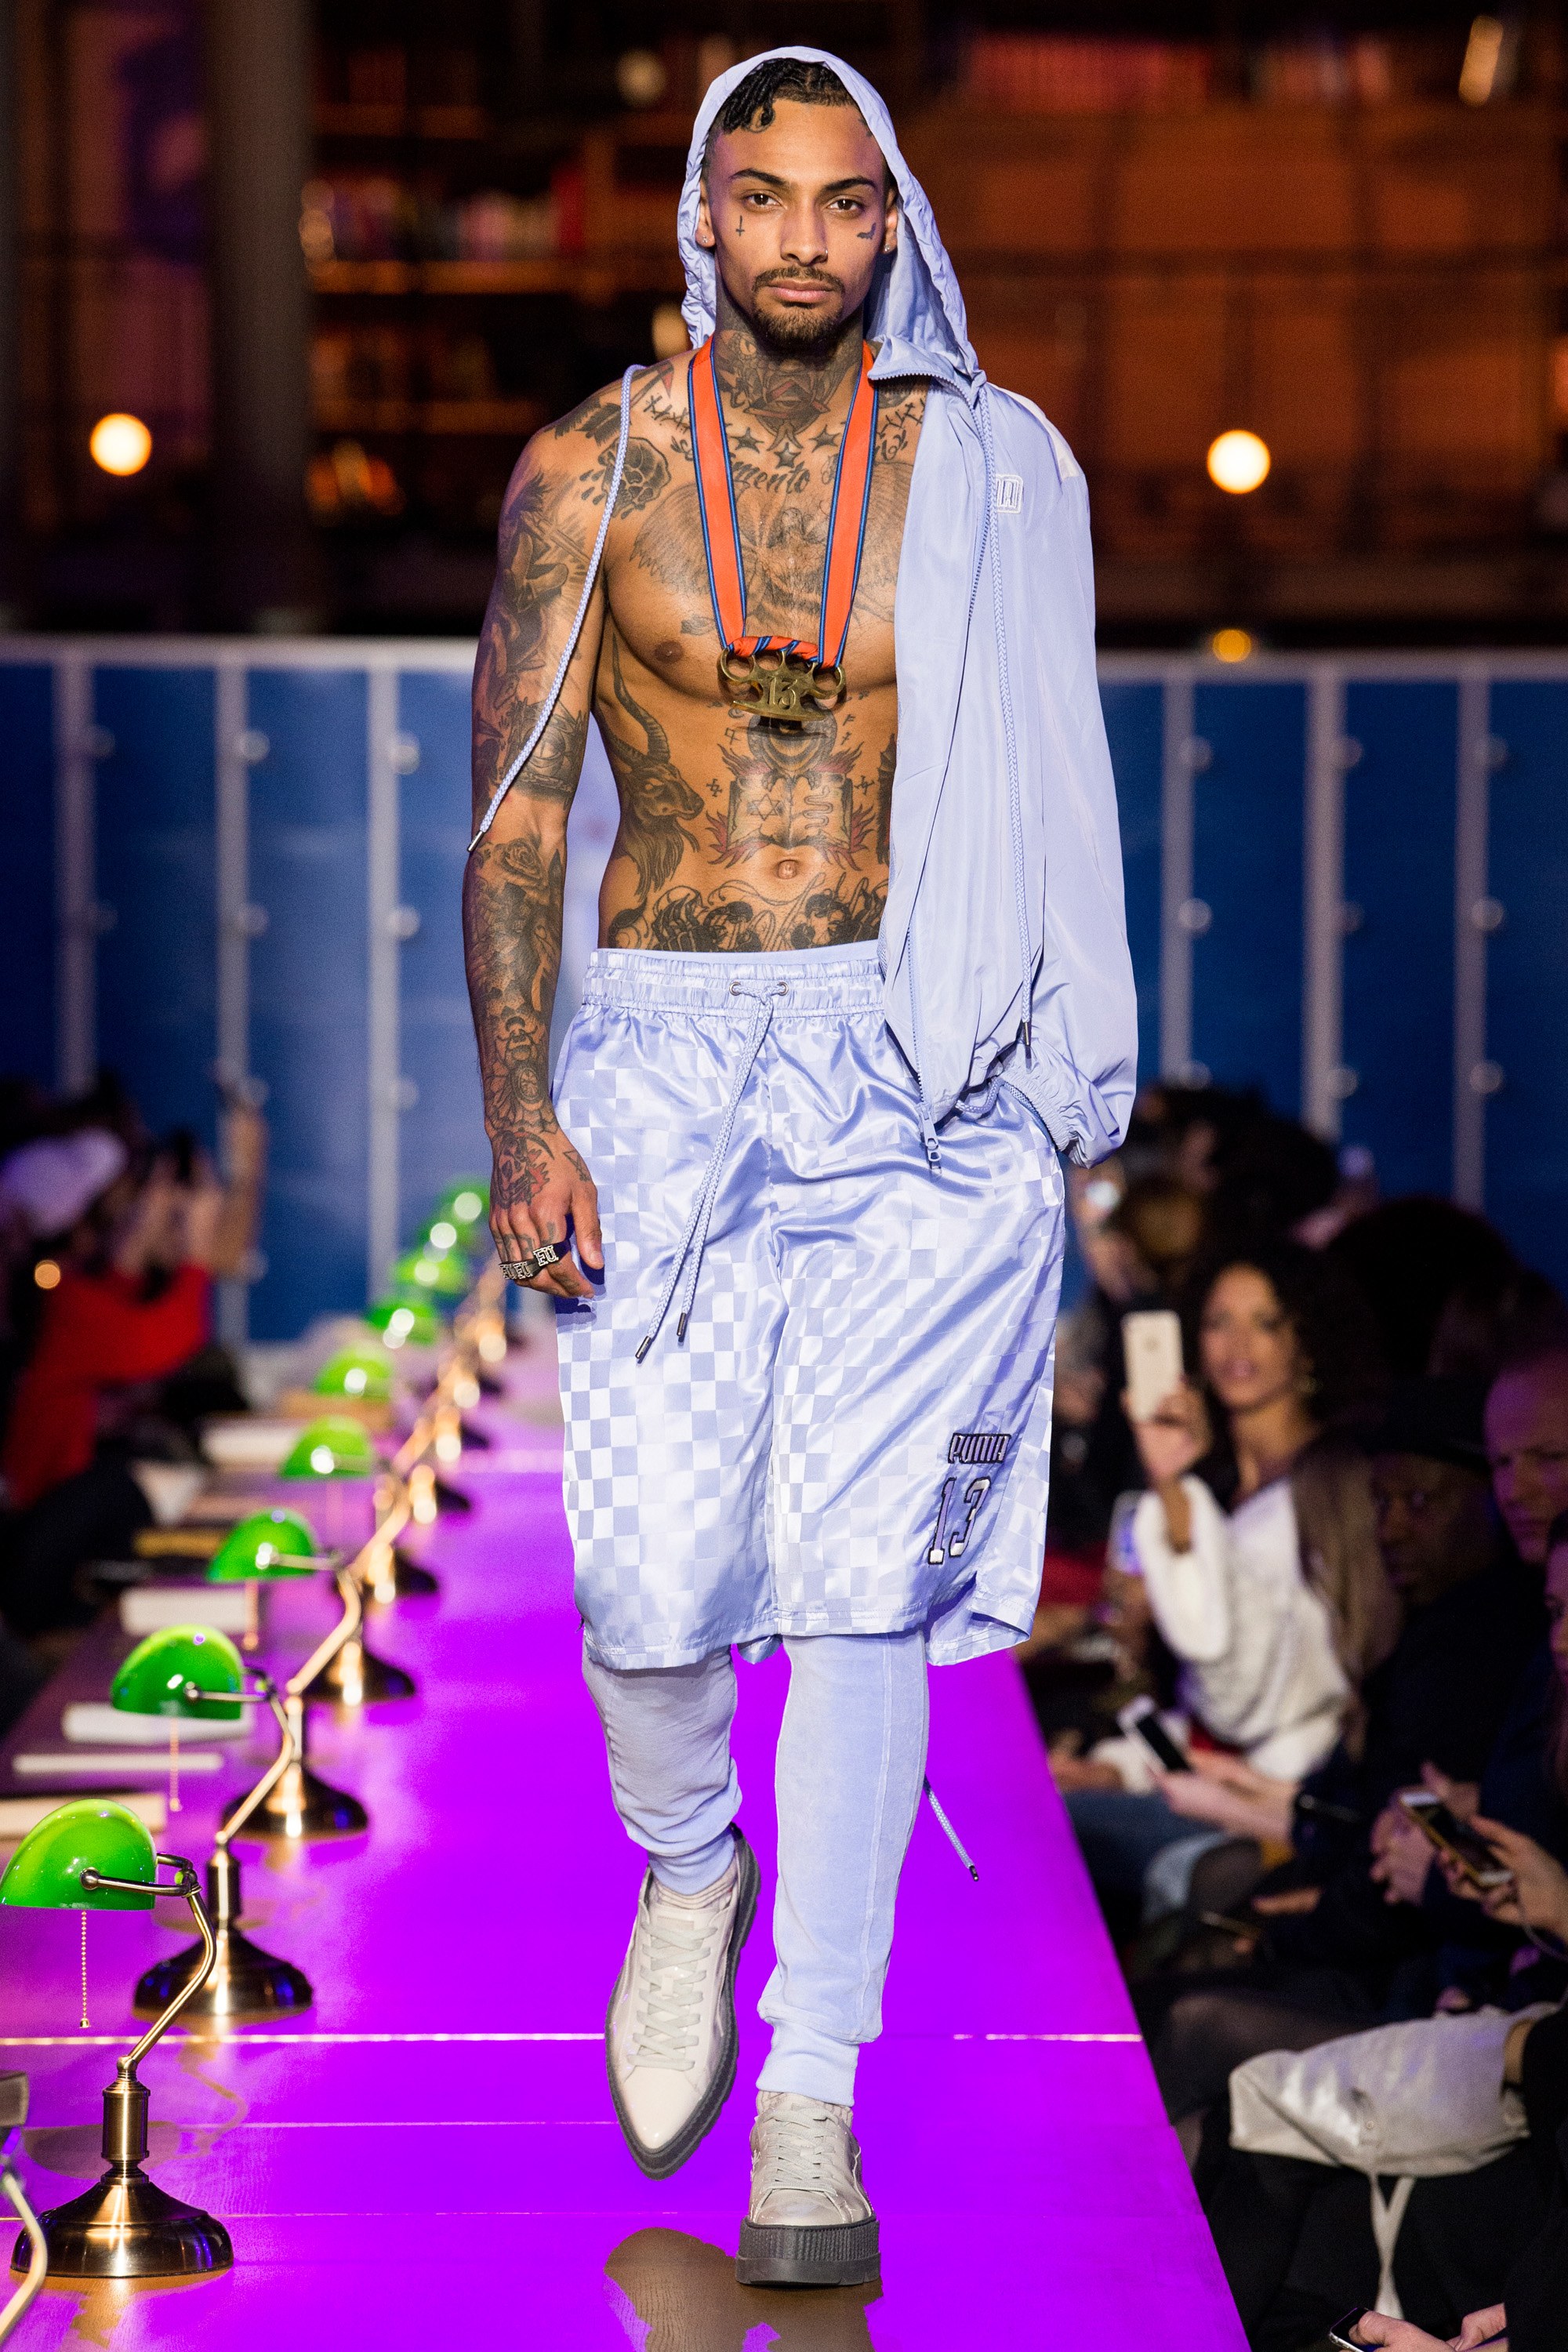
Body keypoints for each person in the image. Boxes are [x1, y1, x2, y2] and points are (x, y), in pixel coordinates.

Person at [460, 47, 1135, 2288]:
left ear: (892, 219)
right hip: (662, 1058)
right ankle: (687, 1855)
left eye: (849, 203)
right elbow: (516, 823)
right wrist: (523, 1115)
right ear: (701, 215)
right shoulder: (589, 471)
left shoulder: (989, 472)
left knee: (861, 1593)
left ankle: (813, 2093)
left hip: (916, 1068)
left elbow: (1054, 787)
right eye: (766, 199)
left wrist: (1054, 1089)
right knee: (648, 1592)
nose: (808, 242)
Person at [1058, 1243, 1390, 1926]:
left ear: (1307, 1340)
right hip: (1194, 1779)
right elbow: (1201, 1702)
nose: (1238, 1345)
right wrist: (1116, 1767)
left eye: (1266, 1323)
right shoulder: (1215, 1484)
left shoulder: (1332, 1489)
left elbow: (1247, 1697)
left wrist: (1172, 1489)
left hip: (1273, 1806)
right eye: (1218, 1322)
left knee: (1025, 1833)